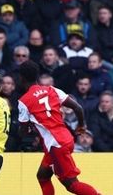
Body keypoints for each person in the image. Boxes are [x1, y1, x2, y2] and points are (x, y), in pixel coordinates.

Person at [17, 61, 99, 195]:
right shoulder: (52, 90)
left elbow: (23, 132)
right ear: (37, 75)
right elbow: (78, 107)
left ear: (21, 78)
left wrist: (29, 128)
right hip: (66, 138)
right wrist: (81, 125)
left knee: (72, 185)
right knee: (42, 176)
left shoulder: (24, 101)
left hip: (56, 146)